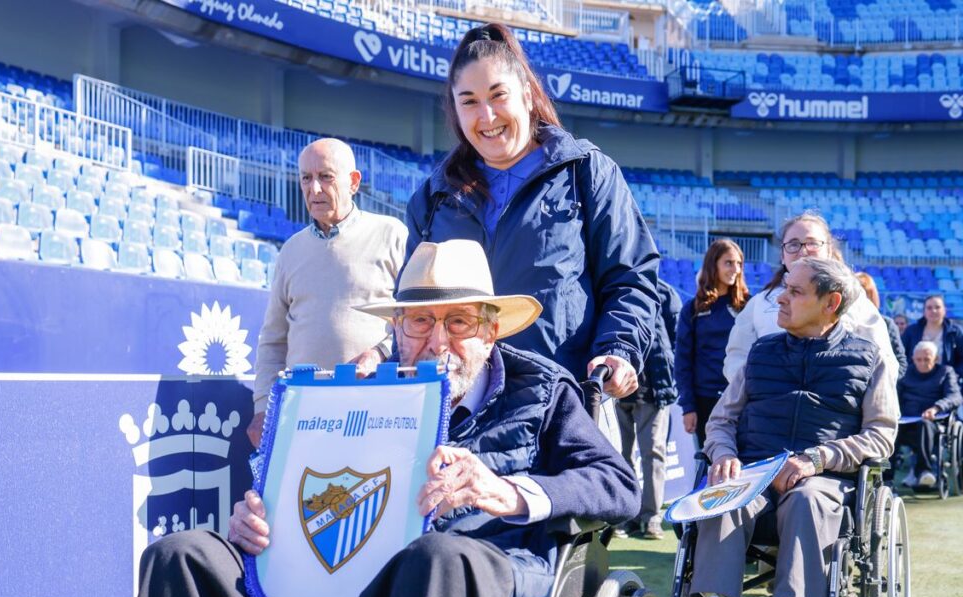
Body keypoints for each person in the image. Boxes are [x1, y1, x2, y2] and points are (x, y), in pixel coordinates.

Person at [114, 240, 640, 597]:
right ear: (396, 328)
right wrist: (259, 521)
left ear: (490, 329)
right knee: (183, 556)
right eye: (418, 323)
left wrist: (505, 491)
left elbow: (619, 485)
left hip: (482, 588)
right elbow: (308, 492)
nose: (437, 343)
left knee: (435, 559)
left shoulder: (543, 391)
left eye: (457, 322)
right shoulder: (358, 386)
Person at [401, 22, 659, 398]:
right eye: (469, 101)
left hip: (561, 405)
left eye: (497, 95)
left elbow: (630, 278)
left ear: (526, 94)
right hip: (457, 411)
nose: (486, 117)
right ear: (455, 109)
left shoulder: (586, 172)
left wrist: (618, 350)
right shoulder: (431, 198)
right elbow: (412, 311)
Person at [686, 258, 897, 597]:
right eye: (785, 288)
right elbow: (722, 421)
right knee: (726, 492)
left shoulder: (868, 358)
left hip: (824, 482)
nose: (780, 297)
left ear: (830, 303)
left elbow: (881, 436)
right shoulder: (761, 353)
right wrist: (724, 453)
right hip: (756, 472)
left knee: (808, 499)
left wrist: (818, 458)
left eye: (796, 292)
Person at [248, 138, 407, 447]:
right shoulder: (291, 251)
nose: (314, 189)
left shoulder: (392, 235)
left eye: (326, 177)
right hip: (303, 414)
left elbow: (416, 318)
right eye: (306, 178)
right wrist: (263, 406)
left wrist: (381, 353)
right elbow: (273, 340)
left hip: (375, 409)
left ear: (354, 182)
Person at [724, 210, 896, 382]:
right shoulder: (760, 304)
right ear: (782, 256)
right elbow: (736, 360)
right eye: (793, 244)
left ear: (829, 251)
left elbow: (883, 363)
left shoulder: (856, 303)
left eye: (812, 243)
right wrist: (761, 390)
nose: (803, 251)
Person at [615, 279, 681, 540]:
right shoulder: (614, 286)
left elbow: (677, 335)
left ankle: (651, 517)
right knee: (620, 455)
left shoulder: (664, 291)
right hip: (617, 388)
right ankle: (626, 515)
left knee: (653, 453)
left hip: (653, 387)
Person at [675, 239, 750, 448]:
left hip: (741, 397)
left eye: (739, 263)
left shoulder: (749, 306)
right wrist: (688, 407)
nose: (735, 269)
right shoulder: (693, 309)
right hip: (705, 400)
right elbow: (682, 361)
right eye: (728, 263)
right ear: (713, 265)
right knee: (711, 462)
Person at [894, 341, 962, 488]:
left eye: (927, 359)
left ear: (936, 358)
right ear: (913, 359)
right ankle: (886, 477)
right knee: (889, 428)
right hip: (905, 422)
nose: (923, 363)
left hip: (934, 424)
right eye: (919, 360)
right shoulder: (905, 373)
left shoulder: (946, 371)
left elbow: (955, 397)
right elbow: (894, 396)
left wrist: (936, 408)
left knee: (924, 425)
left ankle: (925, 471)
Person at [900, 294, 963, 386]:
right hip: (914, 382)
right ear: (924, 311)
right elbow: (901, 355)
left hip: (945, 382)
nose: (933, 311)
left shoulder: (955, 332)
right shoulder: (911, 331)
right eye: (929, 308)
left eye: (937, 307)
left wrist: (954, 376)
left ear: (944, 310)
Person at [856, 271, 908, 380]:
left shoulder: (886, 323)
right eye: (855, 294)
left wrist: (883, 382)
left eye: (864, 295)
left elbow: (901, 363)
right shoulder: (841, 324)